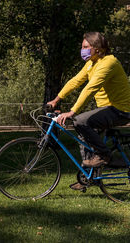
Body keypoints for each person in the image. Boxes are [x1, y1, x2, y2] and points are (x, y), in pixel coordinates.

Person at [47, 32, 130, 190]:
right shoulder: (92, 63)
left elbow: (90, 88)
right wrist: (56, 99)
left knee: (80, 120)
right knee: (83, 134)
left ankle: (104, 154)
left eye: (86, 47)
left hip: (120, 109)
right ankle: (88, 177)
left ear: (97, 48)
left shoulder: (108, 62)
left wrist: (72, 112)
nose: (82, 50)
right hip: (106, 109)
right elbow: (75, 81)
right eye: (82, 47)